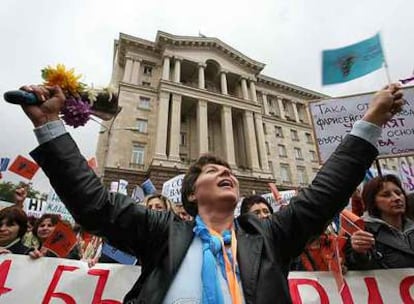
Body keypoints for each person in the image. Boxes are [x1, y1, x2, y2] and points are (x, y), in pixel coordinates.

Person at [18, 83, 403, 303]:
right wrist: (50, 125)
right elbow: (95, 206)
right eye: (213, 170)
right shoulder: (162, 232)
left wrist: (371, 122)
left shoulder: (268, 236)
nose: (227, 173)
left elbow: (324, 194)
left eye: (230, 172)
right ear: (190, 195)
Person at [346, 174, 414, 270]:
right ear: (372, 201)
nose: (396, 198)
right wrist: (360, 253)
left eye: (398, 193)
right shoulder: (362, 233)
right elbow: (358, 268)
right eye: (386, 195)